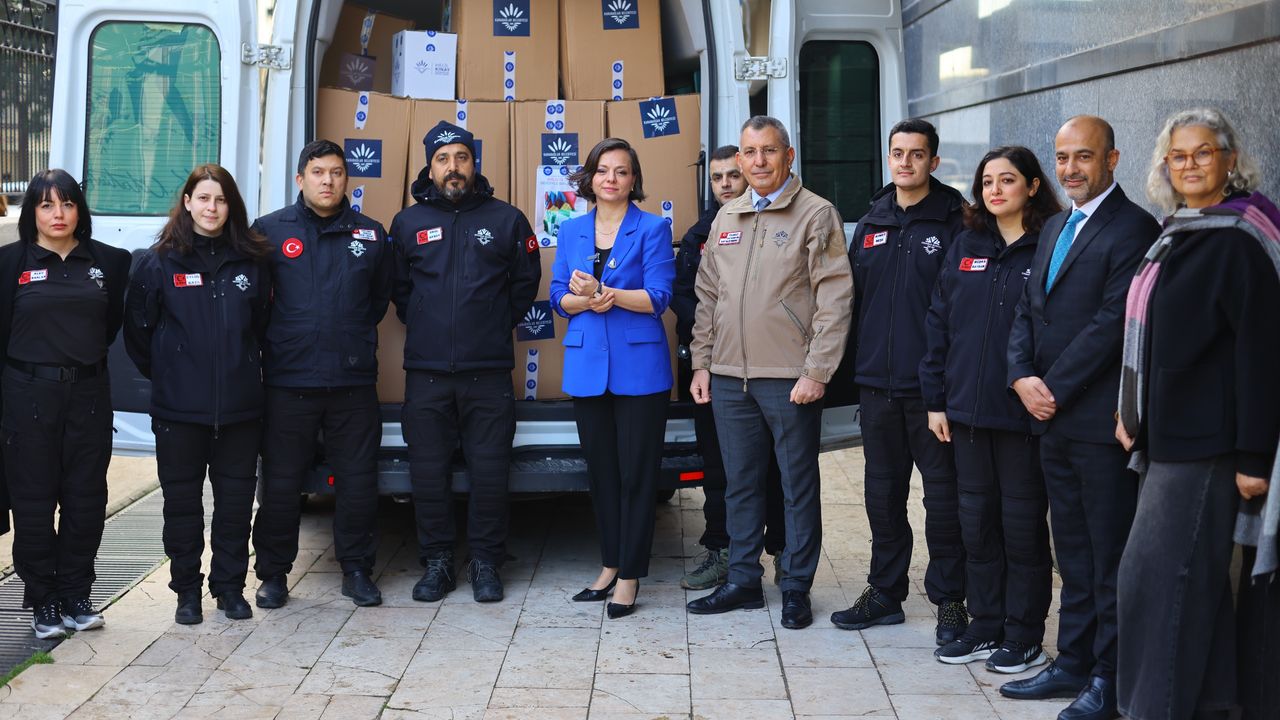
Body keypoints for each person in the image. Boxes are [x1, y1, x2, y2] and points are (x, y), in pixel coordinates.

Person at [1115, 108, 1280, 720]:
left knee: (1155, 584)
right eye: (1178, 155)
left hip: (1210, 445)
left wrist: (1253, 456)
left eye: (1203, 152)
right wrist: (1130, 409)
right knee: (1191, 583)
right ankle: (1214, 706)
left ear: (1229, 160)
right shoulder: (1178, 232)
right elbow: (1153, 339)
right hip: (1168, 437)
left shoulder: (1240, 239)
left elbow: (1260, 354)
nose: (1189, 165)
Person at [1001, 116, 1160, 720]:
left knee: (1107, 553)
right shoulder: (1054, 226)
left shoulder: (1134, 228)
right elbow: (1028, 309)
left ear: (1112, 160)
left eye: (1084, 156)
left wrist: (1053, 388)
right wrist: (1020, 376)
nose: (1070, 168)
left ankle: (1109, 679)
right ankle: (1072, 661)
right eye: (1063, 157)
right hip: (1051, 421)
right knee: (1071, 550)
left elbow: (1113, 322)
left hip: (1098, 424)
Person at [685, 115, 853, 630]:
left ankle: (796, 585)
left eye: (769, 151)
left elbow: (835, 297)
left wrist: (817, 370)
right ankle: (742, 580)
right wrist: (702, 362)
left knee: (796, 485)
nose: (759, 161)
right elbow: (708, 296)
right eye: (750, 152)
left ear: (788, 155)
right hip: (729, 376)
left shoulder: (815, 214)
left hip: (788, 376)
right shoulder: (727, 216)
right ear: (740, 159)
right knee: (739, 484)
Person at [919, 146, 1060, 672]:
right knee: (975, 525)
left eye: (1007, 180)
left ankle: (1023, 636)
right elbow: (939, 324)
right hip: (966, 413)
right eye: (987, 182)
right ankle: (985, 625)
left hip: (1022, 417)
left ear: (1032, 186)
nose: (995, 190)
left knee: (1022, 529)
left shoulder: (1050, 245)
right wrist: (935, 400)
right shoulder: (966, 244)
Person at [389, 121, 541, 604]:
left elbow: (525, 283)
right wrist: (425, 320)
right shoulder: (407, 223)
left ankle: (485, 562)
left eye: (461, 157)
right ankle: (437, 561)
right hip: (427, 374)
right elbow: (399, 289)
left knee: (490, 473)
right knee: (428, 473)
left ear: (474, 163)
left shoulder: (507, 219)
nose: (452, 167)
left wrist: (492, 323)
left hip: (488, 372)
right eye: (442, 159)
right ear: (429, 167)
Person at [831, 118, 968, 645]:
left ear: (934, 161)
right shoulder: (872, 220)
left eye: (916, 154)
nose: (905, 162)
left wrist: (946, 386)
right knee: (882, 497)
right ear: (888, 157)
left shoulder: (956, 221)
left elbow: (961, 310)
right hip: (876, 386)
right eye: (897, 153)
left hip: (933, 393)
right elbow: (852, 300)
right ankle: (885, 593)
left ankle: (951, 600)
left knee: (943, 502)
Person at [124, 164, 272, 624]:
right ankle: (186, 592)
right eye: (204, 198)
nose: (212, 208)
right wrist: (173, 373)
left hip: (240, 412)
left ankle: (229, 588)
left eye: (221, 199)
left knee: (235, 508)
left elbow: (261, 327)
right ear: (187, 203)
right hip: (179, 413)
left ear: (232, 207)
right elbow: (138, 335)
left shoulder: (252, 262)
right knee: (182, 509)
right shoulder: (157, 263)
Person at [250, 140, 394, 609]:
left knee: (357, 482)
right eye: (317, 172)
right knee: (281, 484)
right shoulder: (269, 231)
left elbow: (377, 300)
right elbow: (255, 303)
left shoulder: (371, 234)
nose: (327, 181)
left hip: (352, 381)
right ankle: (273, 574)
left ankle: (357, 570)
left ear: (346, 179)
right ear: (300, 179)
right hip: (288, 382)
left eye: (335, 172)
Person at [0, 169, 130, 638]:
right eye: (47, 205)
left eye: (68, 203)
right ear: (32, 212)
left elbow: (109, 327)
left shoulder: (110, 262)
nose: (59, 214)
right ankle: (44, 599)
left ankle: (77, 593)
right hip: (27, 395)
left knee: (86, 499)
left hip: (89, 395)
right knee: (34, 501)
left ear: (80, 209)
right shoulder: (9, 263)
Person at [549, 137, 673, 620]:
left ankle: (630, 575)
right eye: (603, 170)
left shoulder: (653, 228)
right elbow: (558, 297)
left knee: (636, 476)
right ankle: (610, 563)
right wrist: (585, 299)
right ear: (590, 177)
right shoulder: (571, 229)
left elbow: (659, 297)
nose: (611, 179)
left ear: (634, 179)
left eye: (621, 171)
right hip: (587, 368)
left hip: (640, 369)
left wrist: (609, 293)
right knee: (601, 475)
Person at [672, 144, 786, 591]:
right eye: (716, 178)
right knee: (718, 468)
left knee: (775, 467)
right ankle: (721, 551)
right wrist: (715, 337)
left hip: (768, 364)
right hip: (712, 367)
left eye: (731, 176)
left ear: (745, 174)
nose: (724, 184)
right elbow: (686, 297)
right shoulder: (699, 235)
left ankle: (783, 552)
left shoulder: (778, 223)